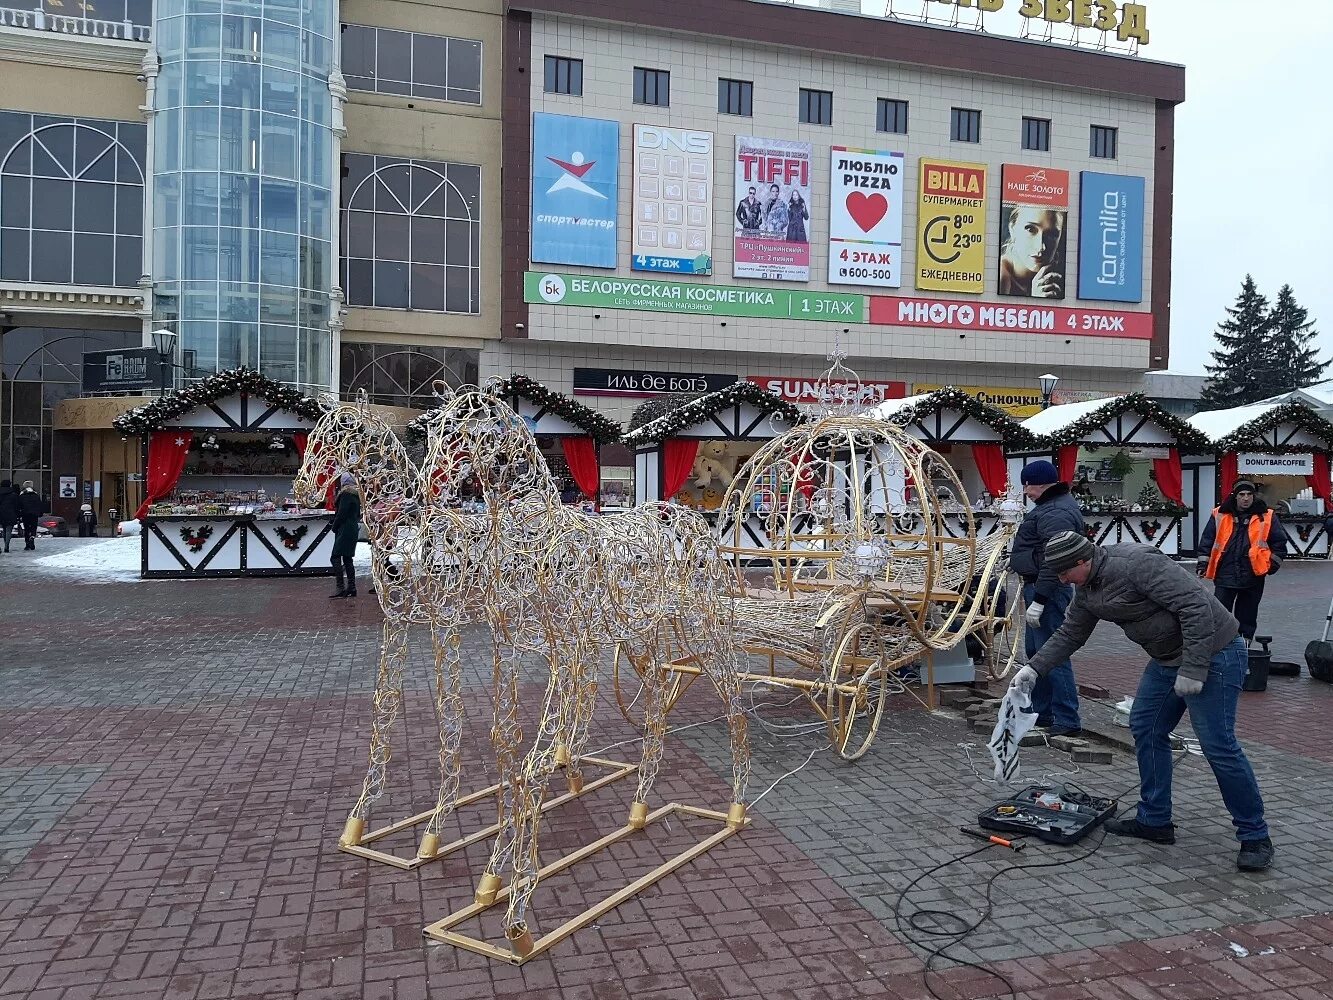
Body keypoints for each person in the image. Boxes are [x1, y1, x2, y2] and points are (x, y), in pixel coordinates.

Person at [1010, 531, 1273, 872]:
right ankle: (1155, 820)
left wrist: (1194, 667)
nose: (1061, 580)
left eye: (1064, 573)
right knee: (1145, 727)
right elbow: (1070, 633)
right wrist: (1034, 669)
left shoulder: (1138, 564)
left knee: (1218, 745)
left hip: (1215, 654)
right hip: (1166, 660)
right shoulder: (1087, 589)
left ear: (1082, 561)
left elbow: (1194, 606)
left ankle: (1255, 836)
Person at [1008, 460, 1085, 736]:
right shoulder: (1051, 507)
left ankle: (1066, 718)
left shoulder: (1056, 512)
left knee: (1052, 654)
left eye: (1027, 485)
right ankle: (1044, 711)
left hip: (1047, 590)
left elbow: (1056, 561)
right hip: (1040, 586)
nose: (1025, 491)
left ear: (1040, 483)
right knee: (1037, 653)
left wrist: (1040, 599)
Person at [1197, 480, 1288, 641]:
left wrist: (1271, 565)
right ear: (1235, 496)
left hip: (1253, 573)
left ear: (1254, 496)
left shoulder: (1266, 516)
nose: (1246, 498)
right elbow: (1207, 540)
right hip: (1225, 571)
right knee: (1220, 613)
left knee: (1247, 614)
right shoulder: (1220, 514)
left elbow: (1279, 543)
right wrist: (1203, 563)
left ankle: (1244, 645)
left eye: (1249, 495)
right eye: (1242, 495)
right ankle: (1221, 644)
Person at [998, 206, 1065, 298]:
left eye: (1052, 234)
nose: (1041, 247)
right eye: (1030, 229)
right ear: (1012, 229)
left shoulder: (1059, 276)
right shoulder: (1000, 278)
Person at [330, 472, 361, 599]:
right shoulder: (355, 494)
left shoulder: (346, 494)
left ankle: (340, 587)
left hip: (345, 529)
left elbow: (341, 513)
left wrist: (334, 526)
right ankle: (352, 587)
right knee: (347, 558)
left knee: (335, 556)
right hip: (351, 528)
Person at [17, 481, 43, 550]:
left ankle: (27, 544)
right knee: (33, 527)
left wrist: (19, 515)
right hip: (34, 514)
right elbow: (39, 505)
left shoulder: (22, 496)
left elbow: (19, 506)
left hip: (25, 514)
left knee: (27, 529)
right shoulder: (36, 495)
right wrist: (40, 513)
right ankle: (32, 536)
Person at [0, 479, 18, 553]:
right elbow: (17, 505)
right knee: (8, 530)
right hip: (10, 513)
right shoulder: (13, 494)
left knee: (3, 529)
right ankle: (6, 546)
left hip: (0, 513)